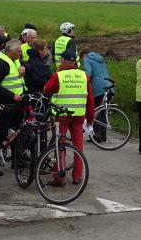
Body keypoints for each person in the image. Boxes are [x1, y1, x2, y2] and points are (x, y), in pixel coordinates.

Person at [43, 49, 95, 186]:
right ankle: (77, 176)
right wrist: (90, 119)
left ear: (62, 61)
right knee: (78, 146)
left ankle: (59, 177)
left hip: (61, 116)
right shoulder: (84, 76)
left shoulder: (58, 76)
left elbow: (47, 90)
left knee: (60, 145)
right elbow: (90, 99)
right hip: (78, 115)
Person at [0, 39, 26, 176]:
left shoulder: (14, 60)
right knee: (0, 135)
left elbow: (18, 68)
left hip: (16, 104)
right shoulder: (1, 64)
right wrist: (11, 95)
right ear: (10, 51)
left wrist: (23, 66)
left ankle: (17, 161)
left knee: (17, 132)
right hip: (4, 104)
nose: (21, 53)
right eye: (19, 51)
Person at [81, 47, 110, 142]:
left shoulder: (87, 58)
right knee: (103, 111)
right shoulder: (99, 58)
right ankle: (103, 135)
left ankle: (97, 135)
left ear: (83, 55)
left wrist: (82, 84)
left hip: (98, 87)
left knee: (96, 112)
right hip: (109, 86)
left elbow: (87, 74)